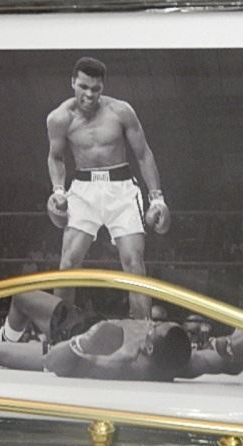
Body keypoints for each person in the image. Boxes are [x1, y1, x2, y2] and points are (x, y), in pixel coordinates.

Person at [46, 57, 170, 319]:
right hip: (83, 190)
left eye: (96, 89)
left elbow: (143, 154)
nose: (89, 94)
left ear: (102, 87)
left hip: (121, 189)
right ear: (73, 82)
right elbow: (55, 157)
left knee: (134, 264)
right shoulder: (59, 118)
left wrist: (157, 198)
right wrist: (58, 190)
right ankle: (61, 333)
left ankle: (141, 331)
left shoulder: (121, 111)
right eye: (83, 87)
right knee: (68, 263)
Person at [0, 291, 243, 381]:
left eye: (153, 330)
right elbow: (224, 363)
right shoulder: (183, 359)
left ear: (147, 348)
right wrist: (237, 343)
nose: (150, 325)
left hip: (74, 343)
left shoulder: (120, 363)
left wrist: (84, 343)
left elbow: (55, 362)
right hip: (92, 325)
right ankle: (4, 337)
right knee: (22, 296)